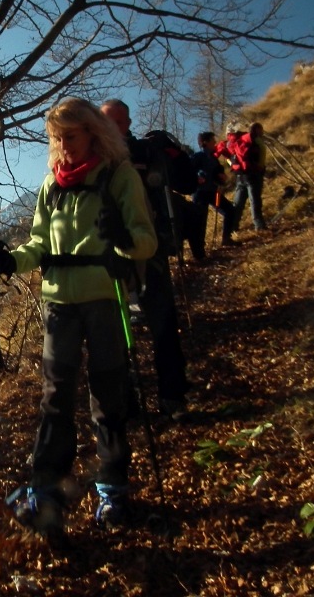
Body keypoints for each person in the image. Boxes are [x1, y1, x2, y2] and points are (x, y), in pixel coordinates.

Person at [0, 98, 157, 536]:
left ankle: (113, 491)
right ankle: (44, 492)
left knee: (108, 399)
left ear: (93, 133)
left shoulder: (118, 177)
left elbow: (145, 240)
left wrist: (123, 242)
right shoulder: (51, 185)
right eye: (56, 138)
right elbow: (39, 245)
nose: (63, 146)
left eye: (71, 136)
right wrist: (9, 261)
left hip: (104, 299)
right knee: (55, 399)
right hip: (58, 303)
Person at [100, 99, 192, 422]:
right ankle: (127, 402)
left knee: (163, 322)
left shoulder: (144, 152)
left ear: (127, 124)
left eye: (117, 122)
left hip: (149, 250)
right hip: (110, 254)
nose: (110, 128)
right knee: (115, 330)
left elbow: (179, 183)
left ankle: (172, 395)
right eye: (104, 122)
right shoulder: (94, 157)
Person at [191, 131, 239, 247]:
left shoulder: (213, 158)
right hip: (200, 192)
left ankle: (226, 238)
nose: (215, 142)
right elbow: (187, 169)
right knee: (200, 219)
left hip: (212, 191)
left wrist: (222, 176)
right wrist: (196, 177)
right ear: (205, 142)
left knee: (229, 211)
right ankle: (199, 248)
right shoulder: (198, 156)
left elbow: (217, 172)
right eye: (213, 140)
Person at [226, 122, 268, 232]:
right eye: (261, 129)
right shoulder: (253, 138)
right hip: (253, 174)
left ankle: (233, 227)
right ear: (257, 130)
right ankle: (259, 225)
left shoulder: (232, 142)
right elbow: (262, 151)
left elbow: (228, 158)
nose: (262, 132)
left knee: (238, 203)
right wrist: (260, 167)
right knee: (255, 200)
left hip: (240, 175)